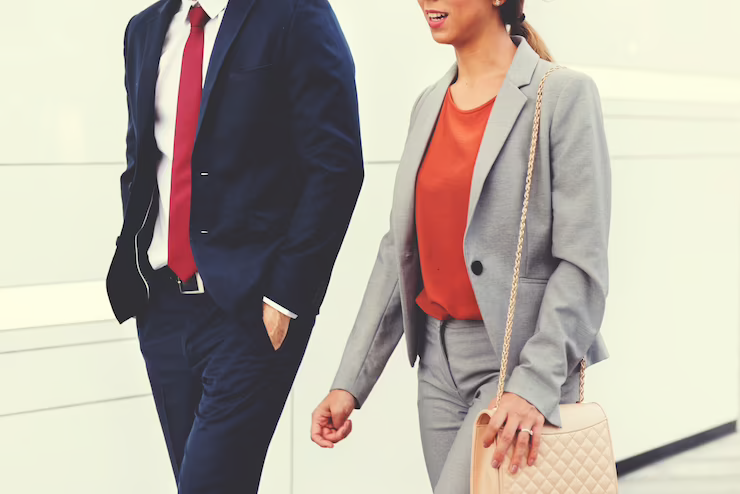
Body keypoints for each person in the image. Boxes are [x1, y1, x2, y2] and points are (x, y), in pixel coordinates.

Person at [310, 0, 611, 492]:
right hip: (436, 368)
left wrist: (532, 385)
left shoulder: (562, 95)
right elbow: (399, 253)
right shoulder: (428, 103)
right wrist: (350, 382)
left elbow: (582, 263)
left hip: (515, 364)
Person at [105, 0, 363, 492]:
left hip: (250, 311)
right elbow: (143, 162)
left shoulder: (294, 13)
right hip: (162, 308)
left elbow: (336, 165)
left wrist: (286, 297)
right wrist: (134, 263)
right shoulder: (144, 29)